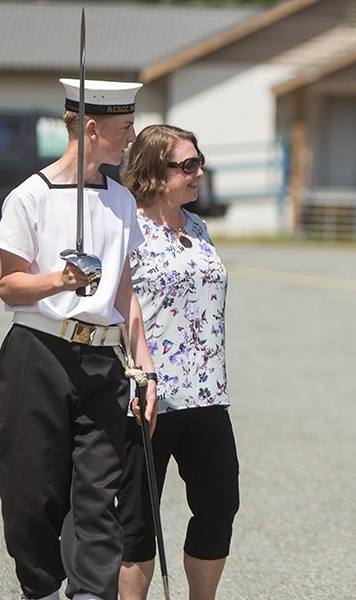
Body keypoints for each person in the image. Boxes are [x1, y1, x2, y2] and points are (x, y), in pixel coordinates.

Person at [0, 78, 156, 600]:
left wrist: (146, 367)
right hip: (38, 354)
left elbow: (125, 290)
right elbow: (9, 286)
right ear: (91, 127)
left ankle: (90, 595)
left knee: (98, 495)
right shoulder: (29, 196)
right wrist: (60, 281)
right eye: (125, 127)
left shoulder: (122, 201)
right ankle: (38, 588)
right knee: (32, 497)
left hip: (103, 360)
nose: (132, 138)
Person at [116, 125, 239, 600]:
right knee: (138, 518)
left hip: (207, 393)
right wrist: (134, 376)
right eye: (186, 165)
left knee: (220, 503)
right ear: (152, 171)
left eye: (198, 162)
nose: (198, 173)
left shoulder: (197, 226)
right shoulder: (128, 228)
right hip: (148, 396)